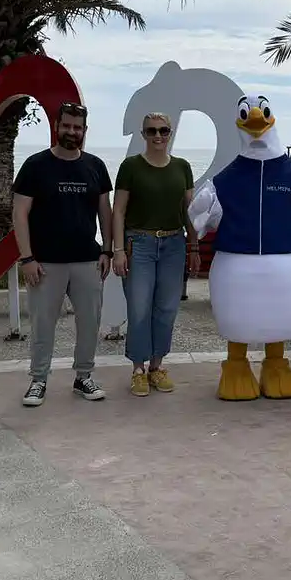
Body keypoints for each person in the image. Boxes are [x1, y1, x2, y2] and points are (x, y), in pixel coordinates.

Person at [11, 102, 113, 407]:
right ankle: (38, 380)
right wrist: (27, 258)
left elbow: (105, 212)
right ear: (57, 127)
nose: (72, 132)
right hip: (45, 263)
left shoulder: (95, 166)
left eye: (77, 127)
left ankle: (84, 376)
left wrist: (107, 250)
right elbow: (19, 213)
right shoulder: (35, 165)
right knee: (42, 324)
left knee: (90, 323)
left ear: (84, 130)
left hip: (87, 260)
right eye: (66, 125)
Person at [111, 113, 202, 396]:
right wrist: (117, 250)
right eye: (151, 131)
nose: (158, 136)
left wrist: (194, 246)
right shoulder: (131, 166)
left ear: (170, 133)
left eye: (163, 130)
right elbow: (118, 210)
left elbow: (189, 210)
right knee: (139, 308)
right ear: (143, 134)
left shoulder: (182, 167)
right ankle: (138, 369)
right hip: (138, 244)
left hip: (174, 244)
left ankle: (156, 366)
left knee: (167, 308)